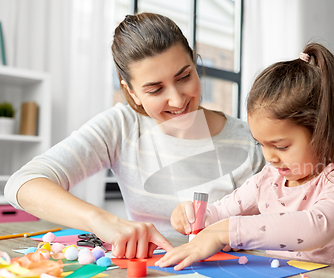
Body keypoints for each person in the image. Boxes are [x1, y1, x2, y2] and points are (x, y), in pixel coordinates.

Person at [4, 13, 265, 259]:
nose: (176, 99)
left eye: (184, 76)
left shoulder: (251, 141)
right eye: (154, 89)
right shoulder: (122, 126)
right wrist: (104, 221)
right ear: (131, 91)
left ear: (195, 65)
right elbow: (22, 184)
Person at [156, 43, 334, 270]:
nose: (269, 157)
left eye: (281, 146)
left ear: (324, 132)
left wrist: (226, 232)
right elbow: (222, 211)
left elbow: (316, 226)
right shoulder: (268, 179)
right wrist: (196, 216)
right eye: (260, 144)